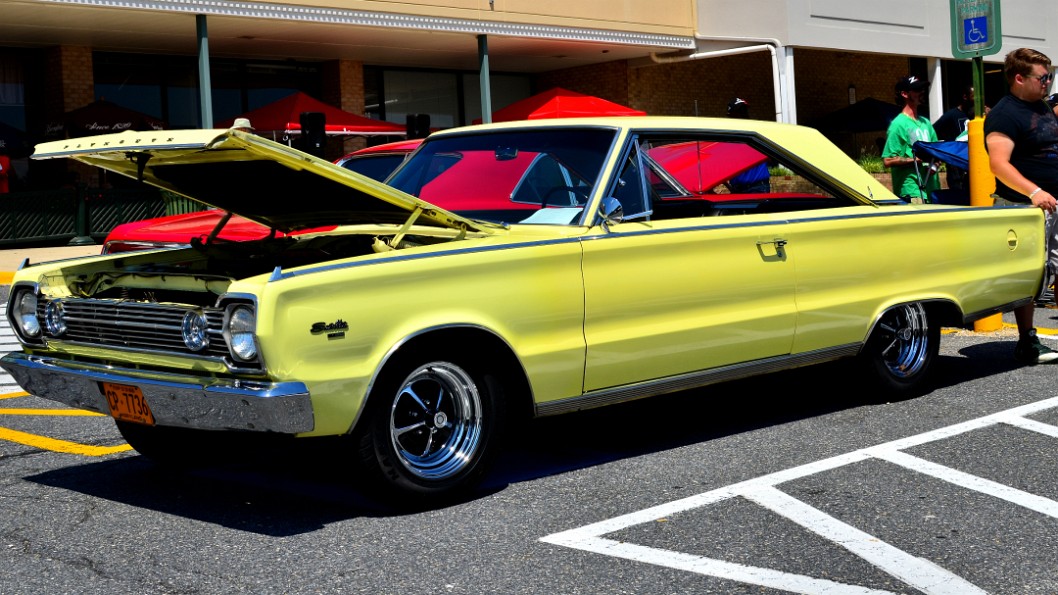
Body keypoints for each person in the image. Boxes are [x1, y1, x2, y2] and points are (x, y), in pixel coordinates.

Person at [984, 47, 1058, 365]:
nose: (1048, 82)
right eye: (1043, 77)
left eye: (1050, 76)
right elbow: (998, 165)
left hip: (1052, 205)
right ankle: (1027, 341)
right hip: (1025, 208)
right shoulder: (1003, 114)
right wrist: (1035, 191)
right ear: (1019, 78)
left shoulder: (1041, 107)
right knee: (1030, 275)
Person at [883, 75, 940, 202]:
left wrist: (935, 164)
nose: (922, 92)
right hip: (912, 192)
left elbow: (937, 152)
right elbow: (887, 160)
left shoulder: (926, 123)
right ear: (904, 94)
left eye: (922, 89)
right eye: (917, 90)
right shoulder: (898, 124)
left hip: (932, 190)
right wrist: (914, 160)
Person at [933, 84, 976, 190]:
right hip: (956, 169)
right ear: (965, 97)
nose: (975, 100)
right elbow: (933, 131)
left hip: (973, 165)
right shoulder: (951, 115)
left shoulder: (975, 115)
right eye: (973, 96)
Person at [724, 97, 771, 194]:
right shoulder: (728, 138)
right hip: (738, 189)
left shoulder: (756, 132)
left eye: (745, 111)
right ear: (731, 116)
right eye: (740, 111)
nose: (744, 114)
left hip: (758, 187)